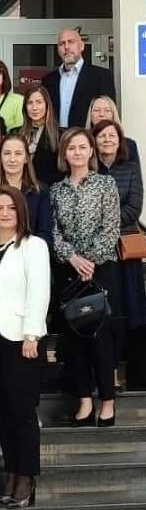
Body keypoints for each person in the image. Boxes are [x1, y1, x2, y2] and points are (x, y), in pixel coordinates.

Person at [0, 186, 50, 508]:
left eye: (11, 208)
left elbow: (39, 291)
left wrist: (32, 334)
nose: (4, 213)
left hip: (21, 341)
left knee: (22, 412)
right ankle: (11, 473)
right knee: (2, 412)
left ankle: (27, 477)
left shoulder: (33, 246)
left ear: (21, 211)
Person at [51, 128, 121, 426]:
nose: (77, 152)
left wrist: (89, 260)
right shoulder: (56, 190)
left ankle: (107, 401)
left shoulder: (106, 184)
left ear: (91, 151)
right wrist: (73, 258)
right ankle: (84, 401)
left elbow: (111, 228)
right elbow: (54, 232)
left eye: (82, 147)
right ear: (64, 153)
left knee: (101, 338)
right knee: (75, 339)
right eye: (71, 148)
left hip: (100, 270)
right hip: (69, 270)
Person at [93, 120, 146, 389]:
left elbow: (134, 207)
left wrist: (108, 223)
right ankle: (108, 372)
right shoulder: (90, 169)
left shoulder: (131, 168)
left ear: (120, 140)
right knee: (107, 312)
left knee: (131, 312)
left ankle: (134, 375)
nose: (107, 140)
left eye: (112, 136)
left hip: (126, 250)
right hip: (99, 252)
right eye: (101, 136)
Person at [0, 134, 53, 249]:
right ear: (0, 158)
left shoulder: (40, 191)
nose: (12, 159)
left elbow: (44, 233)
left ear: (26, 158)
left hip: (31, 254)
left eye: (18, 153)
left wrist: (23, 251)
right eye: (7, 153)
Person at [42, 28, 116, 129]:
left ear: (82, 46)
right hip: (56, 137)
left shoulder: (101, 76)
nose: (66, 47)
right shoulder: (48, 80)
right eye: (62, 43)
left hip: (88, 136)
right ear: (58, 50)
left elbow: (108, 113)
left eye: (71, 42)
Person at [19, 85, 61, 185]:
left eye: (39, 102)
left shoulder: (60, 135)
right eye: (30, 103)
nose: (34, 107)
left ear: (47, 105)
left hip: (47, 189)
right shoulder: (15, 133)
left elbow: (61, 171)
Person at [85, 95, 140, 165]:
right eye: (96, 110)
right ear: (90, 115)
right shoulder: (82, 144)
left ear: (113, 114)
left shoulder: (129, 145)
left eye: (107, 110)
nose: (102, 114)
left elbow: (136, 171)